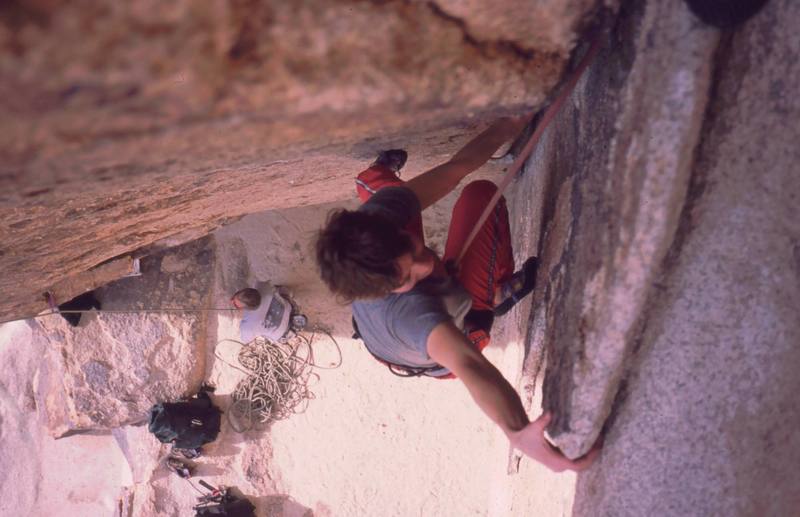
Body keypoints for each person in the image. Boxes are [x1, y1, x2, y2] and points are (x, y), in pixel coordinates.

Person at [315, 117, 599, 472]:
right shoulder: (413, 313)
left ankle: (372, 180)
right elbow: (470, 366)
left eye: (413, 248)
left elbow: (456, 168)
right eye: (409, 274)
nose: (426, 261)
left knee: (408, 193)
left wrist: (506, 125)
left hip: (391, 339)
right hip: (442, 343)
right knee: (482, 198)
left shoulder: (379, 222)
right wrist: (517, 431)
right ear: (386, 289)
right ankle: (494, 295)